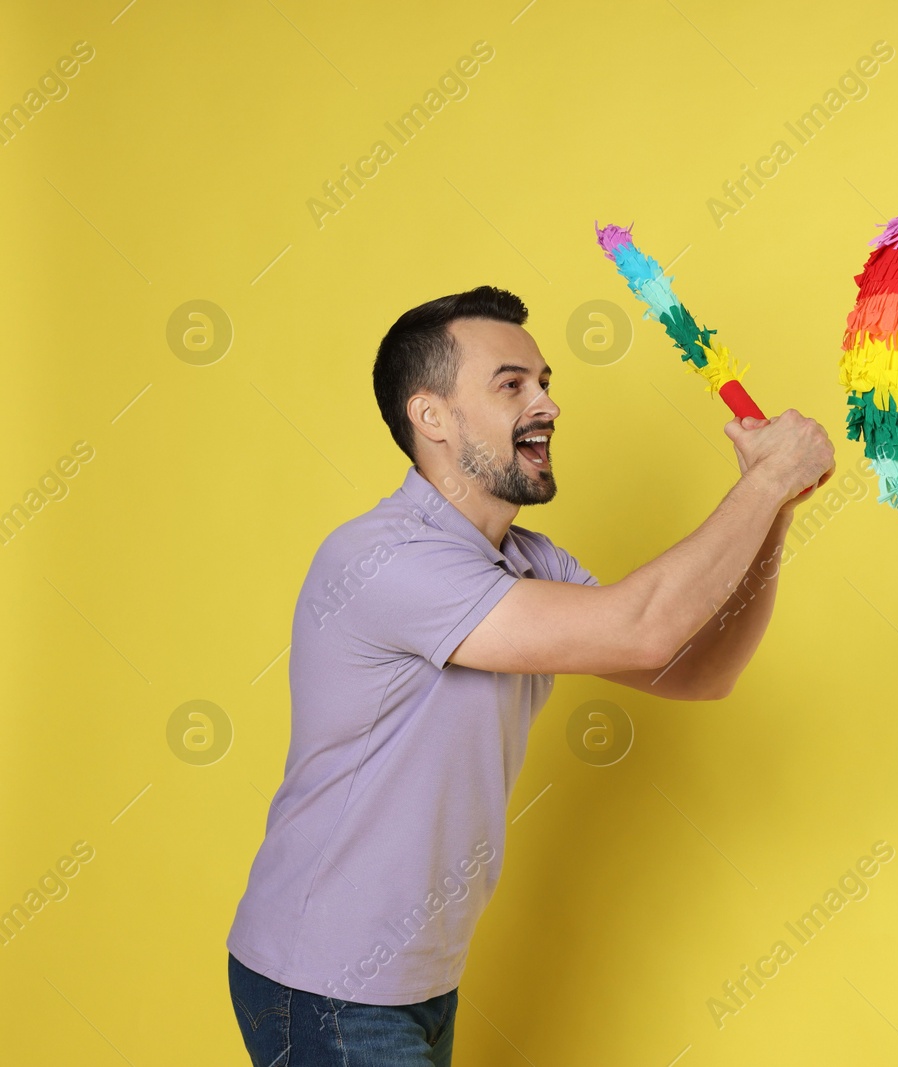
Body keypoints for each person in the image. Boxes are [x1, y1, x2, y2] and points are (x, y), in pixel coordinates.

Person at [225, 285, 834, 1066]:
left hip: (418, 979)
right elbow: (641, 624)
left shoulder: (528, 562)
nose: (546, 402)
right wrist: (764, 483)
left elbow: (698, 667)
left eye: (544, 381)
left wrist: (774, 508)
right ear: (432, 416)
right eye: (511, 383)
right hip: (323, 985)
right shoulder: (382, 558)